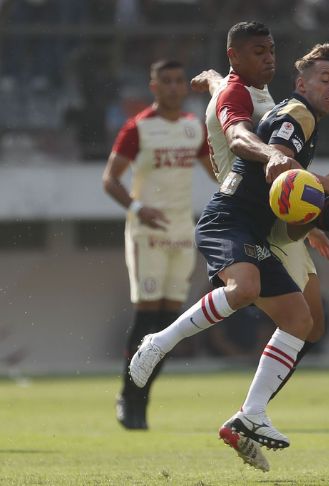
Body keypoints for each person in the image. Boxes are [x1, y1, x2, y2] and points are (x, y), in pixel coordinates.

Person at [129, 30, 329, 472]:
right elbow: (264, 156)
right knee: (246, 286)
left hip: (261, 227)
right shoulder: (296, 117)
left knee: (304, 321)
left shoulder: (270, 100)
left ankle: (250, 415)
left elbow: (298, 199)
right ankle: (158, 342)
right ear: (303, 83)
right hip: (230, 220)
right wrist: (286, 165)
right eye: (324, 78)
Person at [101, 59, 214, 430]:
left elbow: (217, 172)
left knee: (168, 322)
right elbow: (111, 180)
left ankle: (141, 397)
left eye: (178, 81)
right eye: (165, 81)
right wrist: (137, 207)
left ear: (185, 87)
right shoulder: (138, 129)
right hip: (147, 232)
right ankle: (129, 395)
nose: (172, 87)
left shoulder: (191, 128)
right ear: (153, 86)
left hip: (182, 232)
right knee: (146, 315)